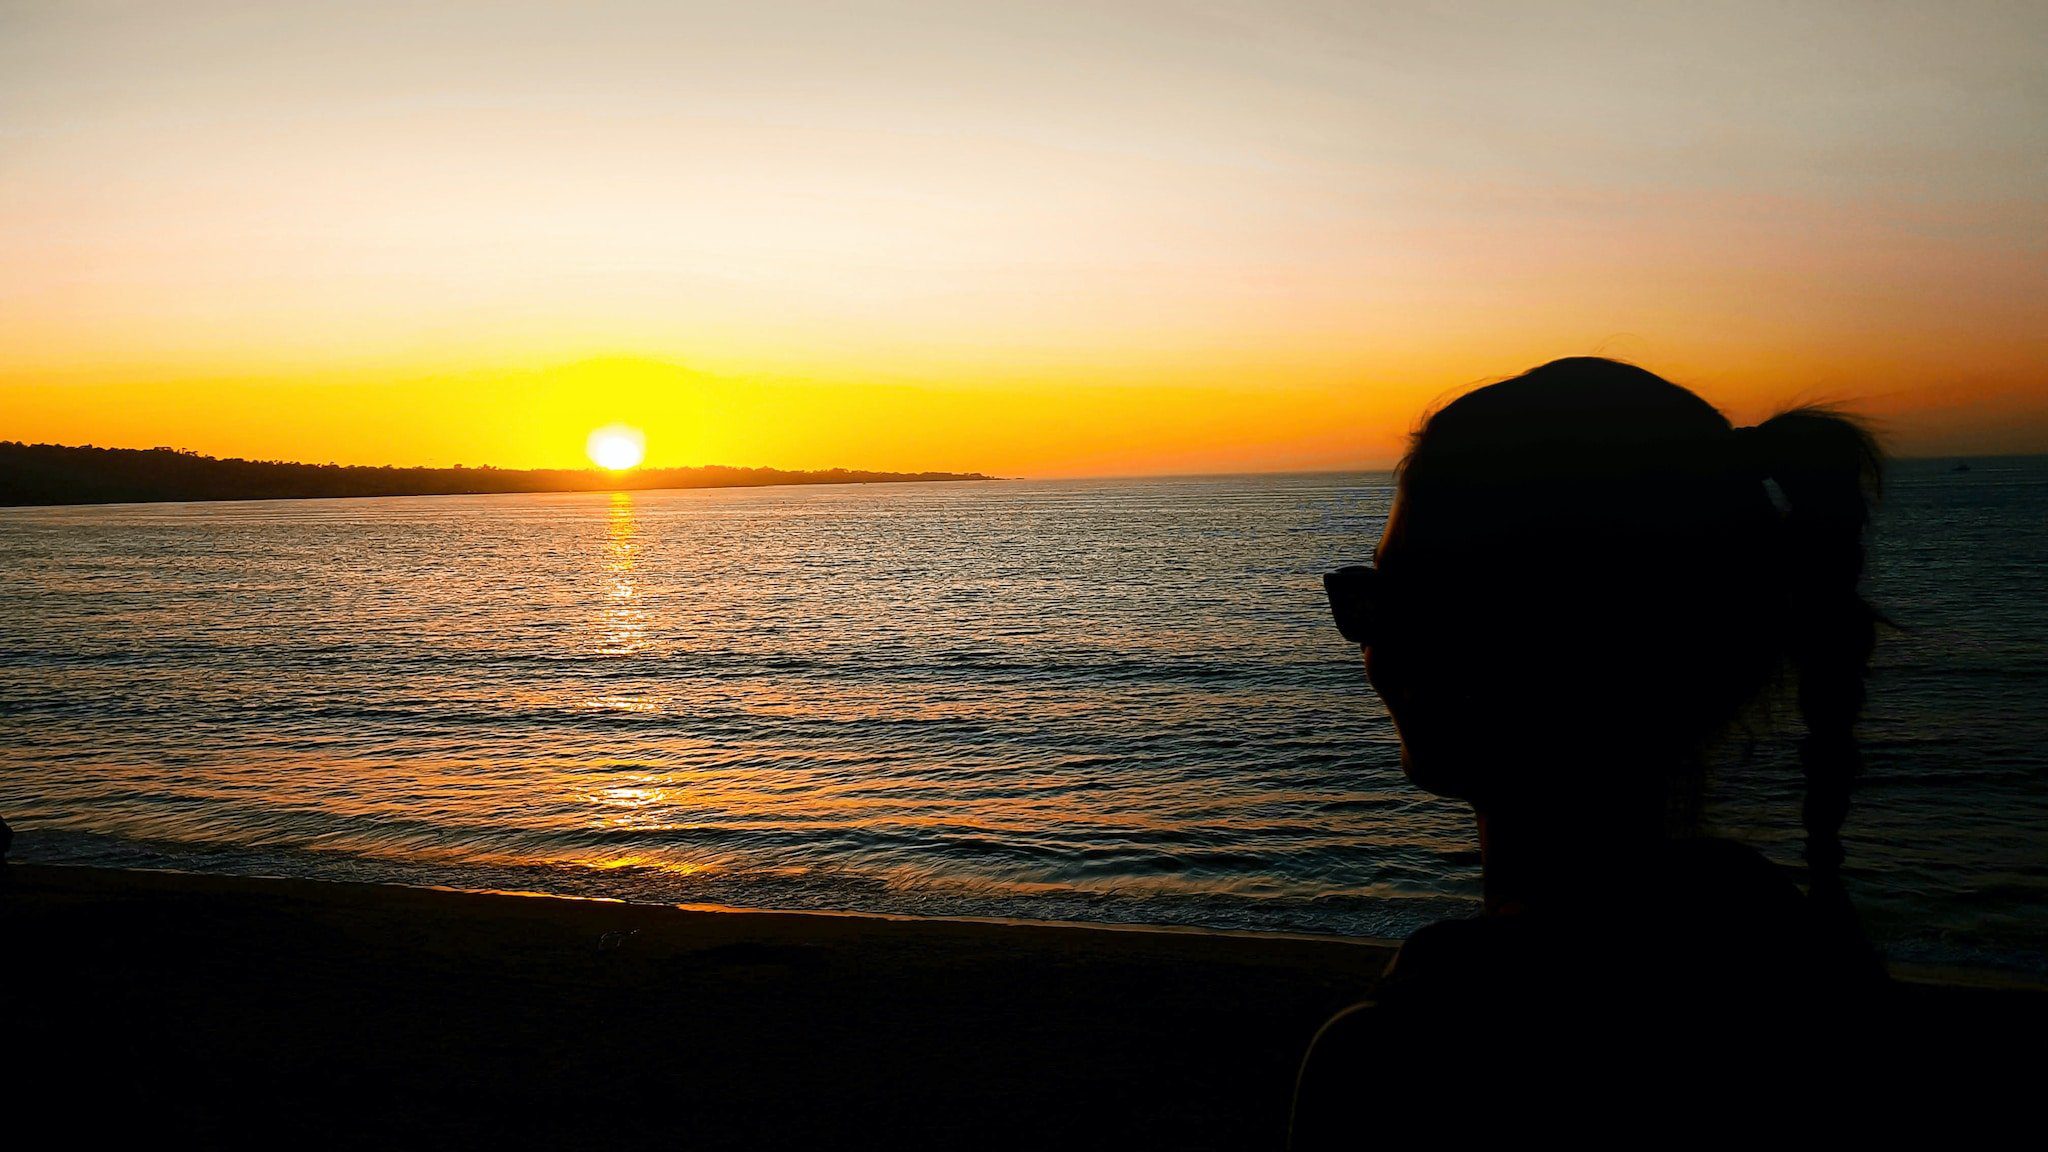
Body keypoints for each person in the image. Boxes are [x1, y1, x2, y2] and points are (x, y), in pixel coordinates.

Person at [1291, 357, 1888, 1142]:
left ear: (1601, 636)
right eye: (1377, 592)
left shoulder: (1414, 1060)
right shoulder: (1798, 967)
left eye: (1446, 601)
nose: (1386, 644)